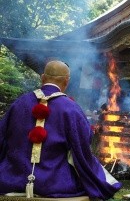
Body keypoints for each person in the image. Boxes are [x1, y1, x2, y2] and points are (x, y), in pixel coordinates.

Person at [0, 60, 122, 199]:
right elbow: (82, 146)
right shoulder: (71, 109)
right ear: (66, 81)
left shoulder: (19, 104)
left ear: (42, 77)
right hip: (55, 183)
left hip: (11, 179)